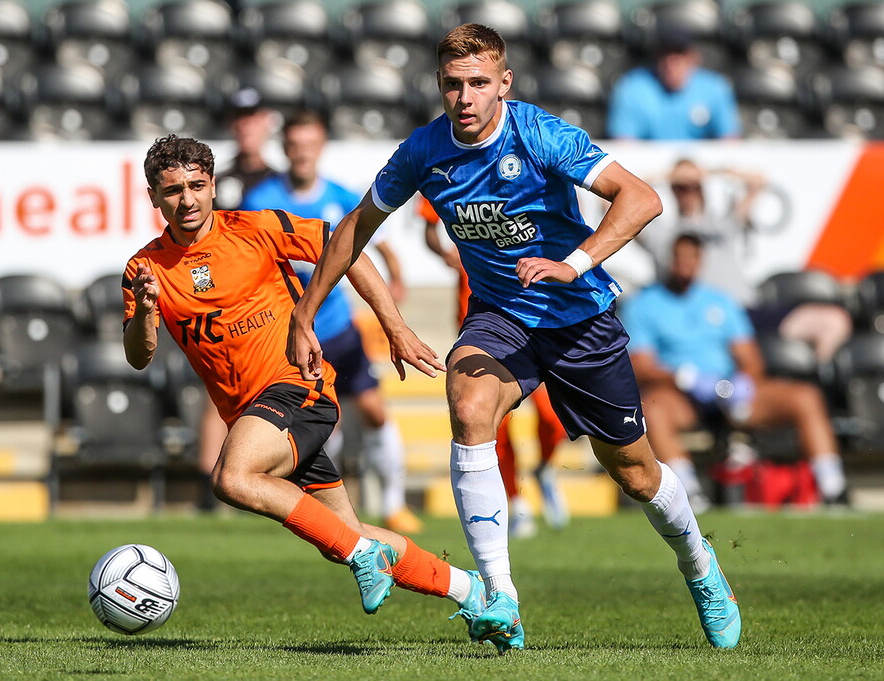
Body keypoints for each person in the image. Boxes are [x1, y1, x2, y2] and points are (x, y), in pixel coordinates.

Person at [288, 24, 741, 653]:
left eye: (479, 83)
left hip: (579, 317)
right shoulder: (422, 152)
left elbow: (641, 199)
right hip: (501, 315)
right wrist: (306, 313)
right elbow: (353, 228)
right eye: (453, 84)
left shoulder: (538, 134)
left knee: (635, 473)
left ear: (505, 83)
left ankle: (702, 569)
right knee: (468, 402)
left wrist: (572, 263)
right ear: (439, 86)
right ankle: (502, 600)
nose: (466, 97)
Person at [122, 134, 486, 633]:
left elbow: (347, 247)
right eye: (172, 190)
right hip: (254, 415)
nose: (186, 200)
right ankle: (472, 592)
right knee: (346, 534)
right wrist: (145, 312)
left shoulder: (256, 228)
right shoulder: (145, 269)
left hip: (298, 388)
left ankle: (362, 554)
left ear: (211, 187)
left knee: (233, 478)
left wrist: (394, 326)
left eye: (197, 186)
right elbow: (139, 357)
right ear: (153, 197)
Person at [243, 109, 422, 534]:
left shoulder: (341, 195)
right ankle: (332, 513)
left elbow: (374, 242)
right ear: (284, 148)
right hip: (292, 338)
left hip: (339, 330)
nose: (302, 152)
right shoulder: (259, 200)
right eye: (294, 144)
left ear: (321, 146)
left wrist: (395, 280)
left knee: (375, 412)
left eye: (310, 144)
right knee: (324, 424)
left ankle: (394, 504)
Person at [622, 233, 849, 506]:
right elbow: (642, 366)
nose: (685, 265)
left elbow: (751, 358)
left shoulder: (719, 301)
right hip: (680, 394)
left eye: (691, 258)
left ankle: (833, 487)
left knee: (806, 397)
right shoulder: (643, 305)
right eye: (679, 258)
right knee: (653, 409)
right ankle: (687, 494)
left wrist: (742, 383)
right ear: (668, 261)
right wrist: (685, 378)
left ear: (699, 261)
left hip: (728, 392)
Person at [419, 195, 569, 536]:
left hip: (533, 316)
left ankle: (543, 469)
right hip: (483, 321)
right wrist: (446, 254)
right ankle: (517, 503)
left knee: (552, 417)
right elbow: (429, 227)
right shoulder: (444, 167)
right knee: (494, 427)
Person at [196, 87, 280, 512]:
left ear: (267, 123)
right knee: (221, 393)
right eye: (240, 118)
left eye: (254, 116)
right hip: (223, 304)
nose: (246, 125)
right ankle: (208, 491)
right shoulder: (218, 182)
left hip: (269, 304)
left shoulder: (277, 183)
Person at [638, 159, 765, 307]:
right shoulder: (661, 233)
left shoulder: (722, 224)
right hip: (690, 319)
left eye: (694, 185)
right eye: (681, 187)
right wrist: (669, 175)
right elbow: (612, 205)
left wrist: (712, 172)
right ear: (672, 189)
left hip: (739, 307)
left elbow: (758, 181)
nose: (688, 192)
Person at [607, 30, 741, 141]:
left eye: (679, 54)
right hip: (647, 169)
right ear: (656, 57)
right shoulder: (631, 88)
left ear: (693, 57)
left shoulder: (715, 88)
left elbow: (729, 141)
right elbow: (624, 144)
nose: (670, 63)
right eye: (665, 54)